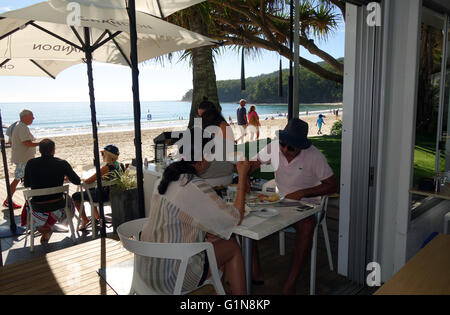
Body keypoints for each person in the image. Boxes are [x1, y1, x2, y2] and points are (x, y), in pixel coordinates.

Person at [139, 128, 248, 295]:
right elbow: (235, 219)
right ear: (203, 157)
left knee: (217, 237)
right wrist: (242, 176)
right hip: (171, 277)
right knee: (232, 246)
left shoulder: (167, 177)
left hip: (147, 268)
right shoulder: (194, 186)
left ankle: (222, 290)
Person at [248, 118, 338, 294]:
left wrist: (303, 193)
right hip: (280, 202)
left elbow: (332, 185)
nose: (284, 150)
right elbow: (254, 164)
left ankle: (291, 282)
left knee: (306, 226)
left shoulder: (314, 156)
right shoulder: (275, 148)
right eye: (282, 144)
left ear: (302, 146)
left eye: (291, 147)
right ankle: (255, 271)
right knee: (248, 217)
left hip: (307, 205)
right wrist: (245, 167)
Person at [23, 139, 81, 244]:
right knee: (69, 200)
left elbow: (27, 184)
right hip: (58, 204)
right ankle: (49, 226)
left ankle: (45, 227)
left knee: (27, 203)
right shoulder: (62, 163)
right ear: (53, 150)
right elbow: (77, 181)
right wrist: (64, 176)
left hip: (37, 206)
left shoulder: (31, 163)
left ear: (39, 151)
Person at [72, 144, 124, 231]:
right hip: (114, 194)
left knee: (75, 196)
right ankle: (97, 218)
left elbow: (88, 181)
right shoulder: (120, 165)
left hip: (103, 196)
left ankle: (85, 220)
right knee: (90, 190)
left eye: (103, 154)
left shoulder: (106, 168)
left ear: (108, 155)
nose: (101, 156)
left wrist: (83, 179)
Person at [5, 109, 39, 209]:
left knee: (23, 179)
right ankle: (8, 201)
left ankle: (9, 200)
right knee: (17, 180)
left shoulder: (15, 125)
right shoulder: (22, 127)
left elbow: (10, 142)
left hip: (21, 158)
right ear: (25, 117)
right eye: (31, 116)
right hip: (24, 159)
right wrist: (42, 144)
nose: (33, 118)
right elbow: (27, 143)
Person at [199, 103, 236, 188]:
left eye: (202, 116)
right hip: (228, 176)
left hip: (208, 180)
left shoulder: (213, 133)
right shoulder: (224, 126)